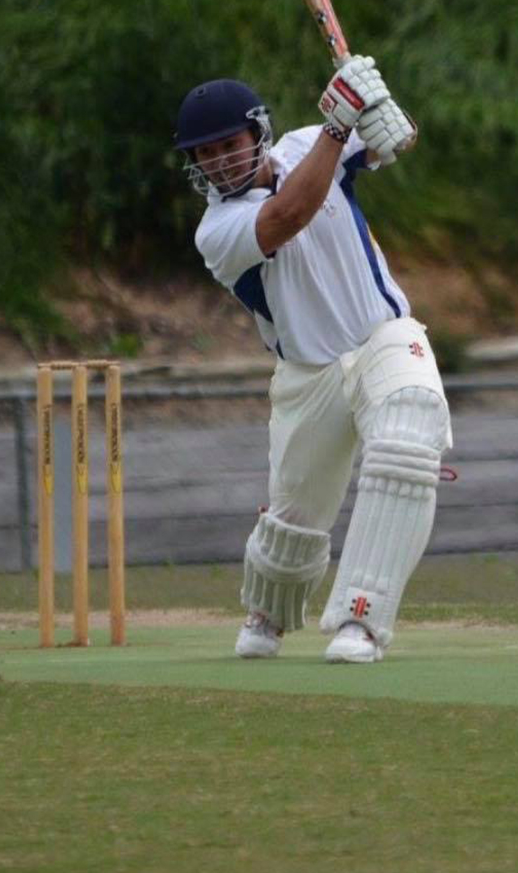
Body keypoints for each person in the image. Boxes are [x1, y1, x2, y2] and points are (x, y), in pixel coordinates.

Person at [173, 57, 453, 664]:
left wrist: (381, 112)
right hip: (308, 373)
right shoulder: (216, 230)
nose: (218, 160)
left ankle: (362, 619)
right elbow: (288, 215)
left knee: (409, 429)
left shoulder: (307, 141)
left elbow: (395, 138)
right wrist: (337, 124)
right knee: (296, 519)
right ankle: (270, 611)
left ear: (258, 132)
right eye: (204, 153)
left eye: (228, 144)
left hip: (382, 336)